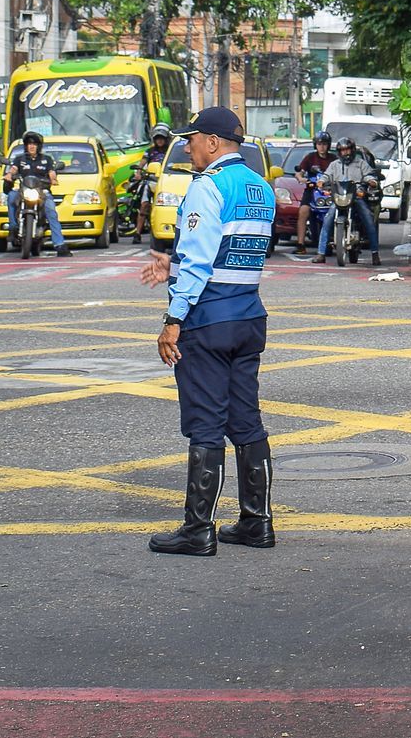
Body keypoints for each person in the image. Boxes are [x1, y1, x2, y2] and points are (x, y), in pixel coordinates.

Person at [140, 107, 279, 556]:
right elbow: (235, 253)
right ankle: (257, 523)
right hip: (248, 316)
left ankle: (198, 530)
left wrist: (172, 321)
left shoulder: (206, 187)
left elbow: (202, 262)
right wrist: (173, 264)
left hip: (208, 320)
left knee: (205, 426)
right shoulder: (261, 188)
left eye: (193, 138)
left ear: (214, 142)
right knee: (246, 422)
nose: (186, 146)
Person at [315, 136, 383, 267]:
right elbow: (326, 175)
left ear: (352, 150)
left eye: (347, 150)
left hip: (355, 197)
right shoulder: (334, 165)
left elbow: (369, 174)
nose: (345, 153)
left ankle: (375, 253)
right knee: (328, 218)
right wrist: (321, 181)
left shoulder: (361, 163)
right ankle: (321, 253)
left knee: (369, 219)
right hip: (339, 197)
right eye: (342, 150)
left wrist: (371, 181)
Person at [4, 131, 72, 257]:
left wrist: (53, 179)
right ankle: (13, 227)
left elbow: (52, 172)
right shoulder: (20, 159)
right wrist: (9, 175)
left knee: (51, 211)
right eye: (29, 143)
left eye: (34, 144)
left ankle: (60, 245)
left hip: (42, 192)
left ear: (39, 146)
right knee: (11, 196)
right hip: (23, 191)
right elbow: (13, 169)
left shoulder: (46, 159)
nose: (32, 146)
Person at [293, 132, 336, 250]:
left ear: (328, 145)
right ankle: (300, 244)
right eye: (319, 144)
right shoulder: (310, 157)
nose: (322, 147)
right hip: (312, 190)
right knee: (303, 211)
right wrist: (301, 178)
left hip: (329, 191)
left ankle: (337, 238)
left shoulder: (334, 159)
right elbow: (299, 172)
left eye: (324, 144)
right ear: (315, 145)